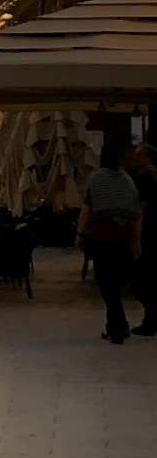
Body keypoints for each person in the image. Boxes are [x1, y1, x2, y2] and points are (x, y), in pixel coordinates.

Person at [76, 143, 141, 344]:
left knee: (106, 283)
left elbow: (87, 209)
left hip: (101, 236)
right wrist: (135, 240)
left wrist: (79, 233)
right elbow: (135, 213)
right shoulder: (127, 181)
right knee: (119, 281)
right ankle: (115, 325)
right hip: (123, 237)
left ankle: (117, 326)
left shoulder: (96, 178)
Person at [131, 144, 157, 336]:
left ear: (149, 157)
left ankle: (151, 317)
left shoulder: (142, 180)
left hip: (148, 232)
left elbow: (140, 210)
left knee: (140, 278)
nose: (135, 158)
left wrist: (136, 238)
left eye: (139, 155)